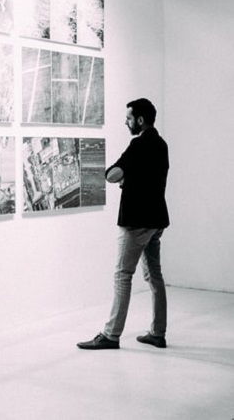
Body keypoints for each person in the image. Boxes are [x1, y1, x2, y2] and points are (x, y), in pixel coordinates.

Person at [78, 98, 170, 350]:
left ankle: (111, 335)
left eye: (129, 118)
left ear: (140, 120)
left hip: (136, 221)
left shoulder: (138, 144)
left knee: (122, 275)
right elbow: (149, 177)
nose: (126, 122)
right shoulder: (161, 145)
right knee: (154, 276)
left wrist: (125, 174)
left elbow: (111, 174)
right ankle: (158, 332)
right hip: (156, 220)